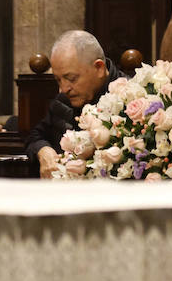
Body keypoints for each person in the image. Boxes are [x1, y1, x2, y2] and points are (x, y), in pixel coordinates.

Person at [24, 30, 124, 178]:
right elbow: (35, 136)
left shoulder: (130, 99)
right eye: (58, 80)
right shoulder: (63, 101)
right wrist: (43, 150)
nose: (64, 89)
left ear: (99, 68)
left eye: (71, 78)